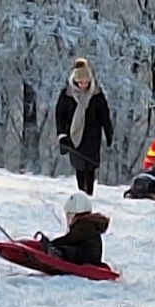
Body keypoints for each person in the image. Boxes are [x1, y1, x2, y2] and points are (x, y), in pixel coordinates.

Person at [53, 57, 114, 197]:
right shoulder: (67, 94)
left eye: (86, 83)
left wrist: (108, 132)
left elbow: (104, 114)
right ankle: (81, 192)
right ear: (75, 81)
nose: (83, 86)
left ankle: (89, 193)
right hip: (74, 135)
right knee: (79, 165)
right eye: (80, 83)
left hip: (93, 135)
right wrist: (62, 135)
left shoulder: (96, 94)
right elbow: (60, 115)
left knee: (91, 165)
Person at [44, 190, 110, 267]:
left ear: (75, 214)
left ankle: (57, 254)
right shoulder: (88, 224)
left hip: (87, 258)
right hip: (89, 257)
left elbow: (69, 239)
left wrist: (52, 244)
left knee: (69, 251)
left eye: (69, 214)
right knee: (72, 249)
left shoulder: (84, 225)